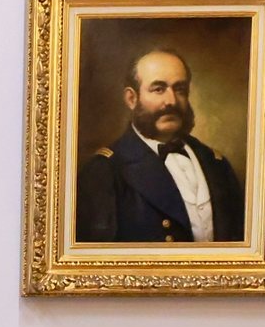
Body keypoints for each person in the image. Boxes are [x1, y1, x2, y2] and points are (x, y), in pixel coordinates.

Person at [77, 48, 244, 244]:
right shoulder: (104, 172)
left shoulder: (216, 163)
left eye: (179, 89)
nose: (171, 101)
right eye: (158, 89)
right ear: (132, 99)